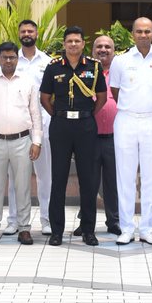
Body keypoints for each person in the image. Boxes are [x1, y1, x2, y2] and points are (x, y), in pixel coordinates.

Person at [40, 26, 106, 245]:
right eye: (69, 41)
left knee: (88, 179)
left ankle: (88, 230)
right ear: (64, 44)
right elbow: (45, 98)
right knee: (58, 178)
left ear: (83, 44)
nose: (73, 45)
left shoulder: (94, 67)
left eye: (77, 41)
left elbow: (101, 98)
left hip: (86, 126)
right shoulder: (53, 67)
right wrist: (60, 115)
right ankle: (57, 230)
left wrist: (86, 115)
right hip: (60, 126)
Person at [112, 17, 152, 246]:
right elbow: (116, 91)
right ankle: (126, 228)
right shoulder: (121, 60)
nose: (143, 35)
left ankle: (147, 228)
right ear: (133, 33)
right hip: (126, 119)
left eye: (148, 31)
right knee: (125, 176)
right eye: (139, 31)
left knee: (150, 176)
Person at [0, 42, 43, 245]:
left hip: (22, 140)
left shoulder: (27, 81)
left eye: (12, 57)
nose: (8, 61)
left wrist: (37, 140)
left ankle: (24, 228)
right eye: (4, 57)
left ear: (17, 58)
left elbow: (35, 113)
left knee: (23, 187)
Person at [6, 19, 52, 235]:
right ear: (19, 33)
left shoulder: (49, 62)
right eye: (23, 30)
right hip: (18, 127)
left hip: (44, 125)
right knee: (16, 177)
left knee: (45, 176)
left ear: (37, 33)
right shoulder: (11, 61)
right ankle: (14, 220)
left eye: (30, 30)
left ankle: (47, 220)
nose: (27, 33)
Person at [84, 33, 120, 236]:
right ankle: (86, 222)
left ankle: (113, 221)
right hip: (89, 138)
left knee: (112, 182)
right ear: (92, 50)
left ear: (114, 51)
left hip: (116, 137)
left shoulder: (119, 72)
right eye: (99, 46)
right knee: (88, 181)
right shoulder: (86, 72)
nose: (103, 50)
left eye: (108, 46)